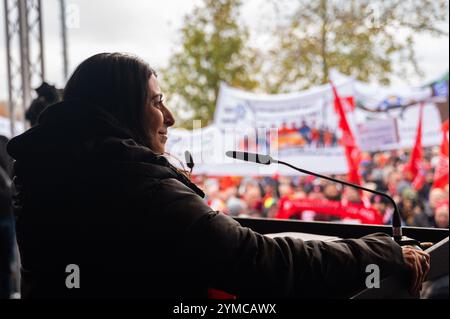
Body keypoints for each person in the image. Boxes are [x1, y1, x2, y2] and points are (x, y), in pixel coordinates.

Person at [7, 53, 429, 298]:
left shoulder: (52, 170)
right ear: (119, 111)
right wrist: (383, 252)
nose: (169, 117)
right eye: (156, 102)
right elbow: (259, 262)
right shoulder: (133, 184)